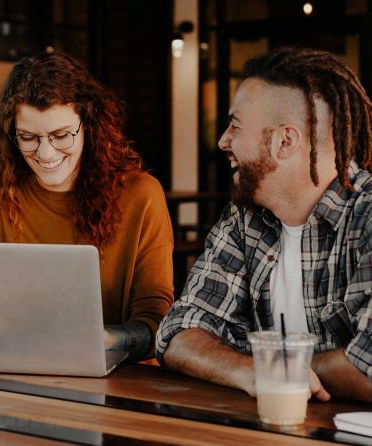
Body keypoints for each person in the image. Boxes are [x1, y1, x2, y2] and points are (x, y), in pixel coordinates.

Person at [156, 47, 372, 402]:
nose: (224, 140)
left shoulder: (365, 218)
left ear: (284, 141)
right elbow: (179, 332)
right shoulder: (245, 218)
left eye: (235, 126)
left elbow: (367, 368)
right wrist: (247, 370)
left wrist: (273, 368)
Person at [0, 52, 174, 360]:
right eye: (28, 137)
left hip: (119, 375)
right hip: (11, 363)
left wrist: (103, 339)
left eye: (61, 135)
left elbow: (158, 320)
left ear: (89, 125)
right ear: (11, 136)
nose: (45, 153)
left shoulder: (141, 196)